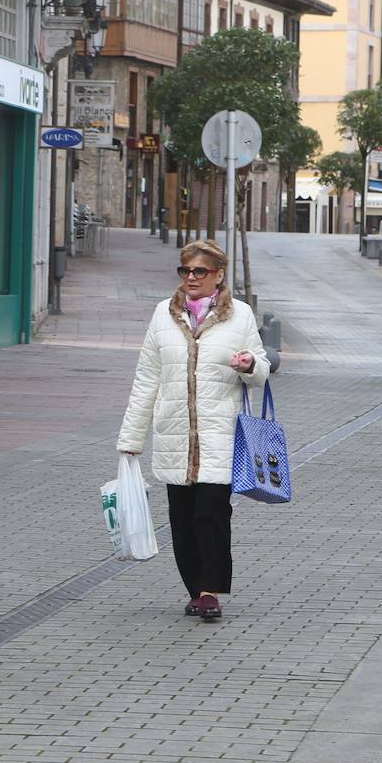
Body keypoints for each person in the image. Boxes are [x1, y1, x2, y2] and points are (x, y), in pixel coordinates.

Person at [117, 240, 269, 621]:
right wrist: (131, 439)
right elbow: (147, 378)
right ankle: (193, 588)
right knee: (182, 521)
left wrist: (249, 364)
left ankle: (209, 591)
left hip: (220, 435)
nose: (191, 278)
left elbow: (261, 370)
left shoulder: (241, 316)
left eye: (200, 271)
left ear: (218, 275)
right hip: (174, 436)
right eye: (185, 271)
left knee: (212, 514)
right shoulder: (162, 315)